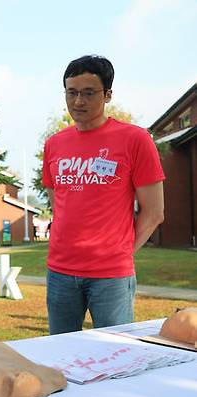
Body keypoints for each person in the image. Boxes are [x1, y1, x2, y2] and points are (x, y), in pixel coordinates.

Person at [42, 55, 165, 335]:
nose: (78, 102)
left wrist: (120, 252)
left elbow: (155, 211)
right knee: (61, 354)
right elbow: (57, 200)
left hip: (110, 276)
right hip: (60, 272)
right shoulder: (54, 144)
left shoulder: (135, 139)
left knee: (115, 357)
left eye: (88, 93)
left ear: (107, 94)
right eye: (71, 93)